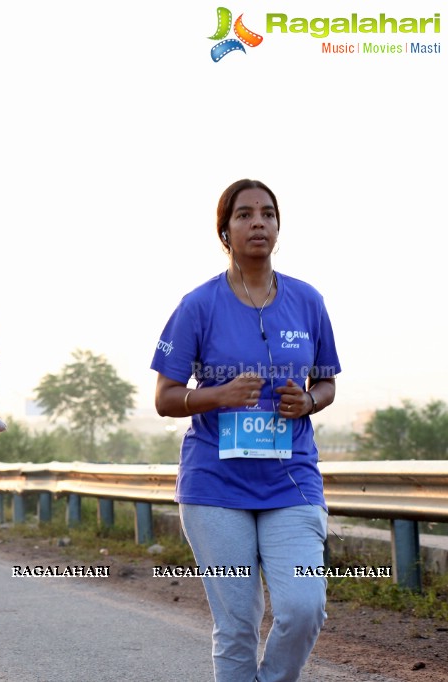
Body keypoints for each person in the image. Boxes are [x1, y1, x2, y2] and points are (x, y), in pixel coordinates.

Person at [151, 179, 341, 682]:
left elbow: (326, 384)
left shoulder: (307, 300)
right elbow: (165, 397)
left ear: (278, 227)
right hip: (215, 485)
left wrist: (308, 402)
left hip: (291, 481)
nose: (258, 222)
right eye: (244, 214)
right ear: (225, 231)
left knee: (303, 608)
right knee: (237, 625)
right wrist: (218, 395)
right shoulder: (198, 305)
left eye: (268, 214)